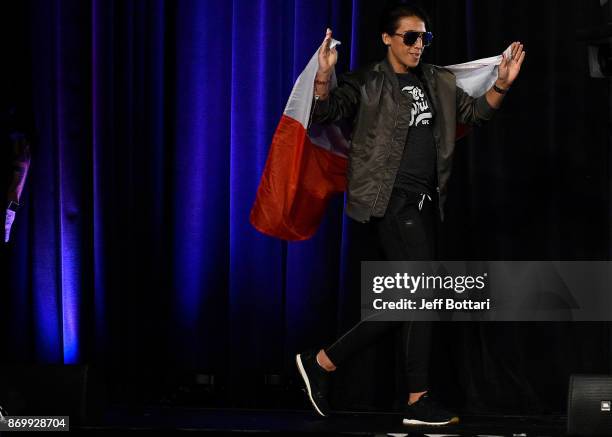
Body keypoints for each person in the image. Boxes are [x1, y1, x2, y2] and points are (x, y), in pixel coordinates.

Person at [295, 2, 525, 427]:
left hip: (424, 204)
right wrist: (324, 72)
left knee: (413, 296)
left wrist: (502, 85)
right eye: (410, 37)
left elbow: (475, 114)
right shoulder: (369, 82)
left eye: (424, 38)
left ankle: (324, 361)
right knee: (422, 289)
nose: (419, 45)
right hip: (391, 200)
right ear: (388, 39)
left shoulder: (438, 80)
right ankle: (416, 398)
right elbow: (324, 111)